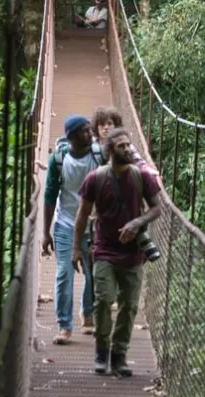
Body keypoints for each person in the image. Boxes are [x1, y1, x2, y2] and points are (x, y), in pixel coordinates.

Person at [72, 128, 163, 376]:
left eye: (128, 145)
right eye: (121, 146)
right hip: (104, 250)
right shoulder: (95, 178)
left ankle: (119, 355)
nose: (127, 149)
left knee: (129, 306)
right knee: (103, 300)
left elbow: (157, 208)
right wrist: (75, 248)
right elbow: (82, 215)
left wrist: (136, 223)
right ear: (110, 151)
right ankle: (102, 351)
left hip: (133, 254)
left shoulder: (142, 176)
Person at [43, 114, 100, 345]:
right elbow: (49, 195)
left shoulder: (100, 155)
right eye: (86, 130)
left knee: (92, 272)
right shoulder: (58, 160)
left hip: (94, 225)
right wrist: (46, 232)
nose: (91, 133)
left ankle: (87, 312)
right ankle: (64, 326)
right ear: (73, 135)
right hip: (65, 223)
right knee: (64, 274)